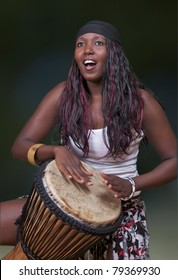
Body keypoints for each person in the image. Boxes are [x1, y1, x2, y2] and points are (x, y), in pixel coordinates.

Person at [0, 20, 177, 260]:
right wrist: (55, 150)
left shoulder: (140, 102)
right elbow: (21, 145)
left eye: (98, 43)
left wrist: (133, 184)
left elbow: (173, 160)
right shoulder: (63, 95)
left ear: (113, 53)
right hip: (63, 207)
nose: (87, 49)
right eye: (80, 44)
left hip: (121, 211)